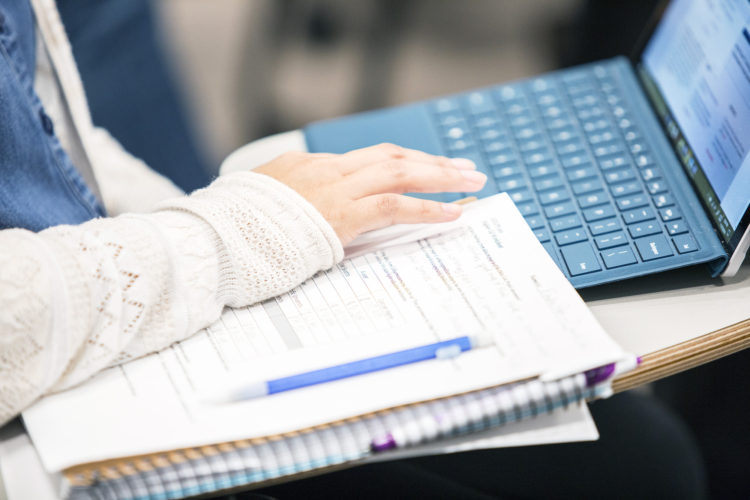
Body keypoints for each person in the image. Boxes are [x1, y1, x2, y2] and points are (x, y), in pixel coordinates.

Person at [0, 1, 707, 498]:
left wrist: (192, 215)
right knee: (641, 468)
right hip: (48, 419)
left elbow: (50, 140)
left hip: (107, 314)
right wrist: (239, 230)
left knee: (633, 444)